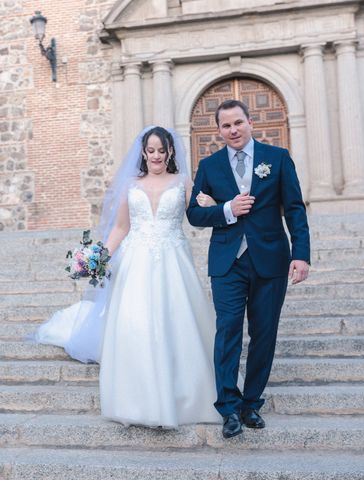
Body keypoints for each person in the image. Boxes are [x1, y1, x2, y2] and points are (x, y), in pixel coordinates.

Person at [33, 126, 220, 428]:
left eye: (162, 150)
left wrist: (216, 207)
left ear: (171, 151)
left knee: (178, 323)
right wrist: (97, 257)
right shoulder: (131, 186)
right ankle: (139, 401)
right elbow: (121, 228)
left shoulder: (184, 182)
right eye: (151, 150)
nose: (156, 156)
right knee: (137, 325)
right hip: (136, 262)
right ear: (143, 152)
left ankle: (186, 398)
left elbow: (197, 217)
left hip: (173, 261)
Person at [186, 99, 310, 439]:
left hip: (271, 259)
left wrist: (301, 254)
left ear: (250, 122)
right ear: (218, 130)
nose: (233, 130)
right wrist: (226, 209)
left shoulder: (278, 159)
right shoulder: (209, 166)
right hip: (227, 263)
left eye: (238, 122)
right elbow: (193, 214)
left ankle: (251, 402)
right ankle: (228, 407)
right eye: (226, 126)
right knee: (227, 331)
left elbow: (295, 209)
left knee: (264, 334)